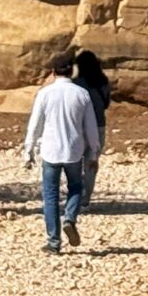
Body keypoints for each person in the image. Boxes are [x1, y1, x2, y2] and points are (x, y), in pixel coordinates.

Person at [19, 48, 103, 254]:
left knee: (50, 196)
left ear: (53, 72)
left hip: (50, 150)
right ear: (72, 71)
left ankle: (54, 242)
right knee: (76, 187)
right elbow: (91, 127)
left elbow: (35, 124)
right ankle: (70, 218)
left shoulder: (45, 94)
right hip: (74, 150)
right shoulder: (82, 94)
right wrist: (94, 152)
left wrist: (28, 150)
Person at [72, 47, 114, 222]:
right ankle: (86, 198)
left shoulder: (76, 83)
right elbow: (106, 104)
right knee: (91, 161)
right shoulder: (103, 81)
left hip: (79, 126)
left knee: (75, 160)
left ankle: (74, 196)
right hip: (98, 125)